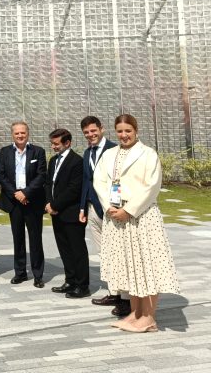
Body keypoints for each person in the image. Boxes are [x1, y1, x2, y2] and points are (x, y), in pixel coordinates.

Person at [94, 114, 179, 332]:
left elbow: (152, 186)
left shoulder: (148, 154)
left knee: (146, 265)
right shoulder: (109, 155)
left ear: (136, 131)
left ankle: (148, 317)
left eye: (128, 131)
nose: (124, 135)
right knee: (129, 266)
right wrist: (109, 207)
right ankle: (135, 313)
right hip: (115, 216)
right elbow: (99, 181)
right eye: (120, 131)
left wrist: (129, 210)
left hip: (141, 217)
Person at [79, 116, 127, 315]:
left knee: (117, 253)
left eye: (93, 131)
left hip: (110, 209)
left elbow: (119, 180)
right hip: (92, 209)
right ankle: (113, 292)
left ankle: (124, 298)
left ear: (101, 129)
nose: (90, 135)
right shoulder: (87, 152)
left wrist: (115, 206)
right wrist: (83, 208)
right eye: (86, 133)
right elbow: (86, 181)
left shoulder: (115, 149)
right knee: (103, 254)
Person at [0, 121, 47, 288]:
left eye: (23, 133)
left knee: (35, 239)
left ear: (28, 133)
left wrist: (26, 193)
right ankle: (20, 273)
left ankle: (38, 275)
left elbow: (41, 175)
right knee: (17, 238)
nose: (20, 136)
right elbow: (1, 175)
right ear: (12, 134)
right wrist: (17, 194)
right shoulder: (5, 151)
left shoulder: (38, 151)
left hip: (33, 200)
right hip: (14, 201)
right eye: (17, 133)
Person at [45, 128, 89, 298]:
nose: (53, 147)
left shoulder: (77, 161)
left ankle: (82, 285)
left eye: (56, 144)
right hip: (56, 214)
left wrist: (55, 205)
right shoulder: (53, 161)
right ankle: (70, 281)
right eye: (52, 143)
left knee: (77, 250)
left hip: (71, 213)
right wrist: (49, 203)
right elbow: (49, 184)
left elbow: (74, 189)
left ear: (67, 143)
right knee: (64, 249)